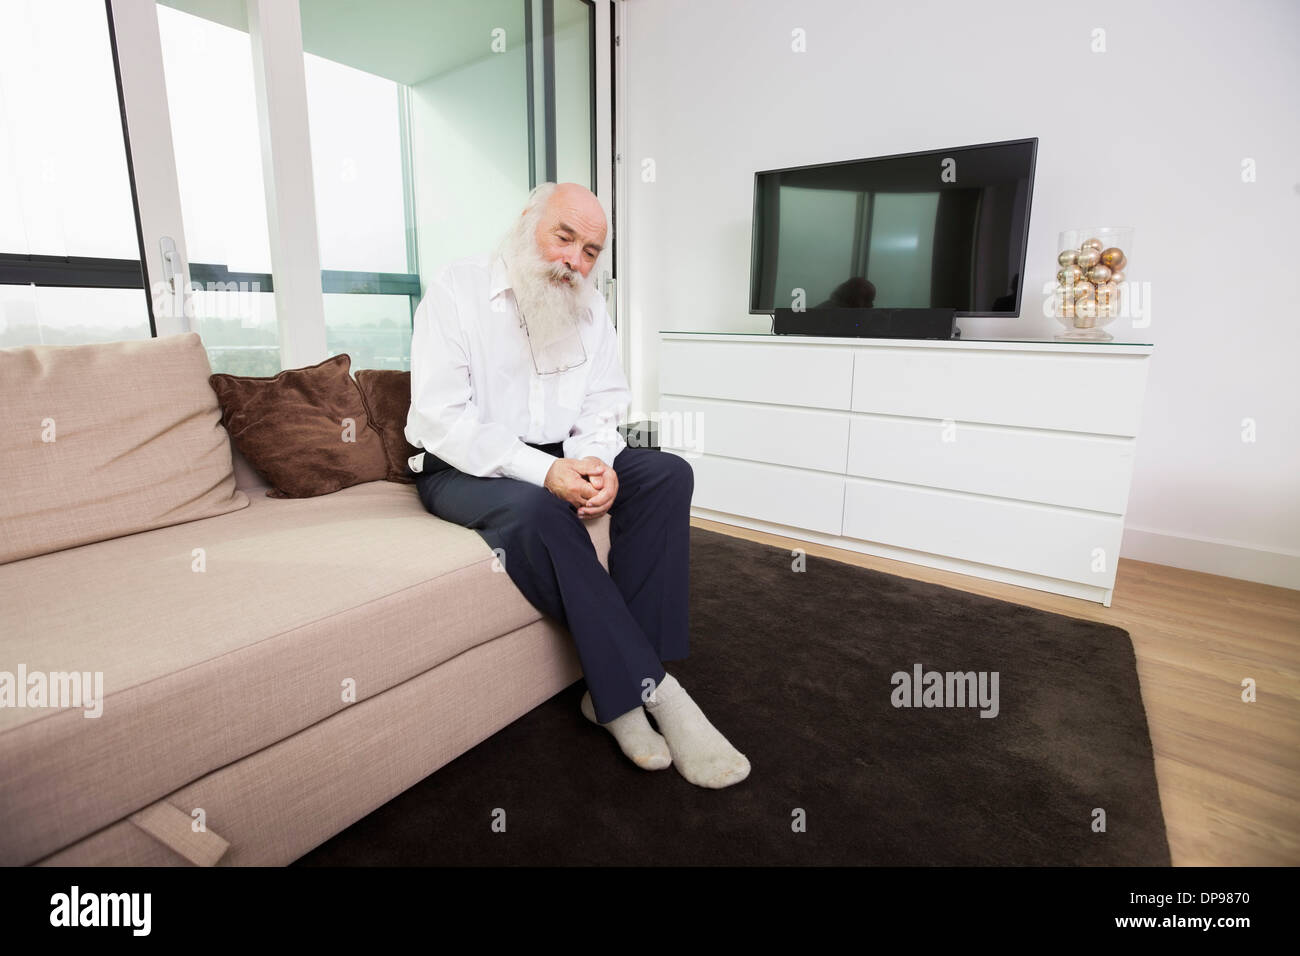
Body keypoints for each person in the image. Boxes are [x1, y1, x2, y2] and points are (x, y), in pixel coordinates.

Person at [404, 181, 750, 789]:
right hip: (462, 463)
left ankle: (608, 690)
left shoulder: (590, 306)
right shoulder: (456, 288)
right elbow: (441, 418)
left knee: (668, 472)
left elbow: (601, 405)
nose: (575, 260)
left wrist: (596, 463)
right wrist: (546, 472)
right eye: (564, 237)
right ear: (525, 224)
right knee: (540, 511)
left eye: (591, 250)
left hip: (559, 453)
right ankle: (649, 694)